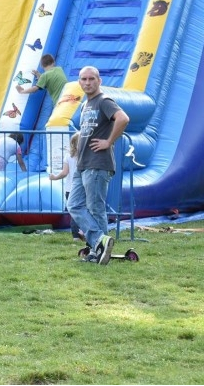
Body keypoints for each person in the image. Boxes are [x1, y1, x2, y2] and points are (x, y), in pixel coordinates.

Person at [68, 66, 129, 264]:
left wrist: (108, 141)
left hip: (98, 163)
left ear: (99, 81)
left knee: (95, 208)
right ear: (79, 82)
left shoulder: (104, 101)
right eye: (83, 79)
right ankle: (100, 243)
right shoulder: (86, 105)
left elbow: (123, 118)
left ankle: (100, 250)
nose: (87, 82)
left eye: (91, 79)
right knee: (74, 204)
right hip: (82, 163)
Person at [49, 133, 84, 241]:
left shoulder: (68, 156)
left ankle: (75, 236)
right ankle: (83, 232)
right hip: (82, 187)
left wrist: (55, 177)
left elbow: (64, 172)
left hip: (70, 188)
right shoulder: (84, 155)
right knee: (84, 211)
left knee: (73, 212)